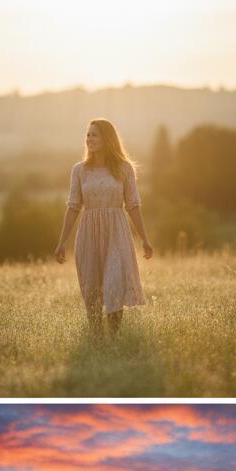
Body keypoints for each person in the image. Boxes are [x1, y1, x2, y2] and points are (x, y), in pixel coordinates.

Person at [53, 119, 153, 336]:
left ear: (107, 138)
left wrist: (145, 239)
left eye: (94, 135)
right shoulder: (79, 170)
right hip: (88, 234)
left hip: (117, 232)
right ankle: (97, 338)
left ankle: (115, 339)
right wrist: (62, 242)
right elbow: (73, 207)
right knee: (92, 288)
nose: (89, 139)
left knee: (114, 283)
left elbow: (133, 205)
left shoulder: (124, 169)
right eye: (88, 135)